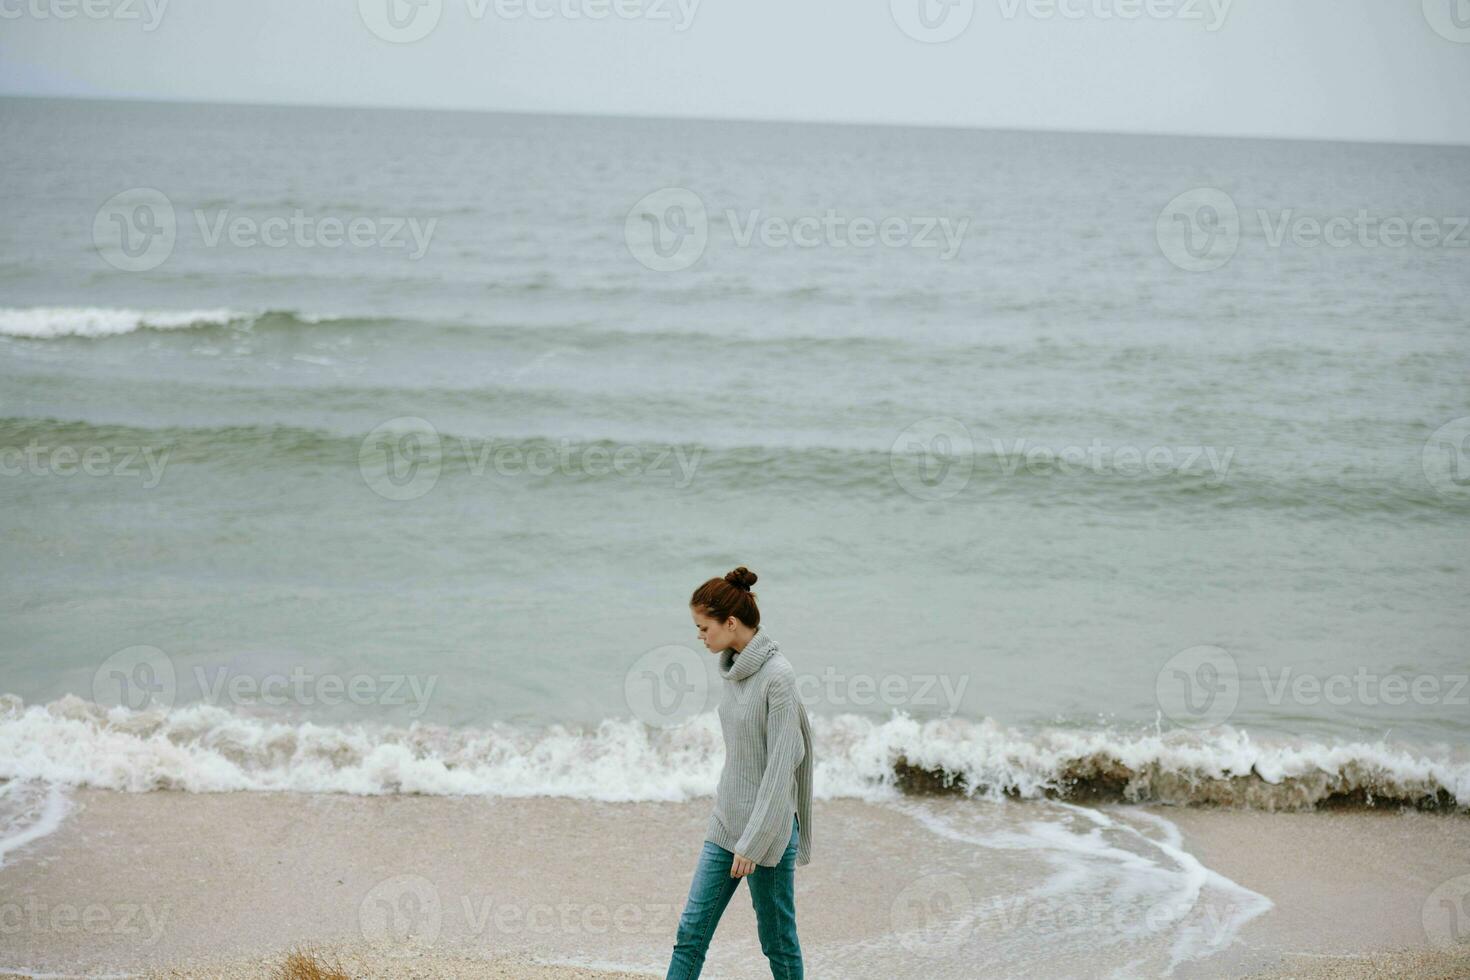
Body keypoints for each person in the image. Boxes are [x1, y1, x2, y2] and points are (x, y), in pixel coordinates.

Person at [666, 566, 814, 980]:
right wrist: (731, 825)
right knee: (691, 931)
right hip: (726, 823)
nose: (700, 636)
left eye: (703, 627)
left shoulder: (778, 677)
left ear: (730, 623)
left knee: (777, 941)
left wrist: (753, 841)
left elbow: (783, 765)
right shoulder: (733, 671)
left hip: (767, 834)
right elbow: (742, 760)